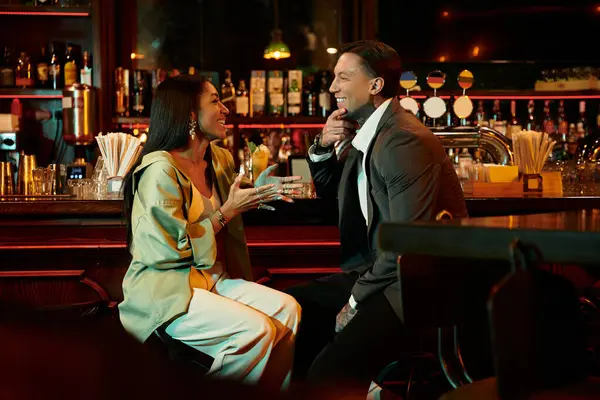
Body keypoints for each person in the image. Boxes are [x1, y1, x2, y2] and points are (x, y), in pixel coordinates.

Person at [286, 40, 468, 388]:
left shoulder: (401, 139)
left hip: (411, 284)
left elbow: (406, 240)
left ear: (375, 85)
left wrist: (354, 301)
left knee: (328, 373)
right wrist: (323, 146)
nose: (333, 87)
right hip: (378, 271)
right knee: (294, 310)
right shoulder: (369, 130)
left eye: (342, 77)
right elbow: (329, 191)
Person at [118, 75, 303, 390]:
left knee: (288, 310)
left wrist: (256, 194)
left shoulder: (219, 159)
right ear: (191, 113)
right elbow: (165, 252)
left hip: (212, 280)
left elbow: (231, 204)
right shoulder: (159, 170)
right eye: (215, 101)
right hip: (167, 291)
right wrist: (227, 212)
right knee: (255, 330)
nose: (225, 109)